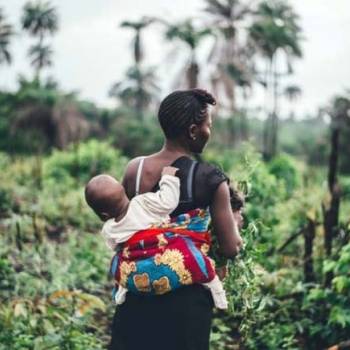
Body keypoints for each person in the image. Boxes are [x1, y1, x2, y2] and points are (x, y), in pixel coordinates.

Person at [109, 88, 243, 350]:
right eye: (208, 126)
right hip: (186, 306)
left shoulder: (134, 170)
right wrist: (235, 228)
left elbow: (125, 224)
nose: (209, 132)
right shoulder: (210, 179)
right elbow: (230, 248)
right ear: (193, 131)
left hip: (137, 293)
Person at [84, 167, 228, 309]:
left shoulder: (109, 229)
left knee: (117, 263)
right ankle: (216, 289)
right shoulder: (142, 202)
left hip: (138, 263)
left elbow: (117, 248)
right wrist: (168, 177)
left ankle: (123, 287)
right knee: (191, 255)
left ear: (103, 216)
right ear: (123, 190)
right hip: (163, 251)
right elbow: (168, 201)